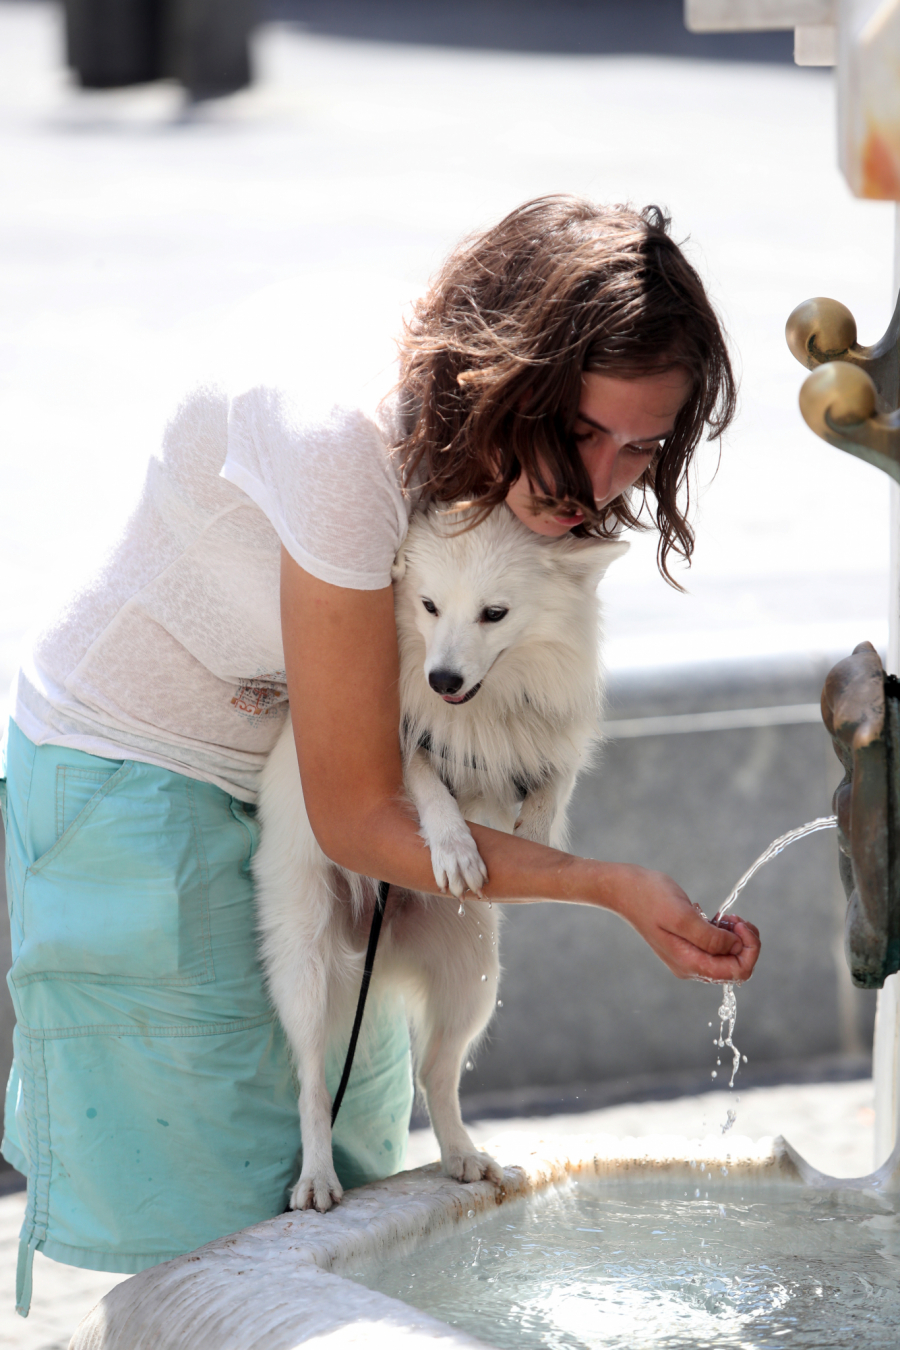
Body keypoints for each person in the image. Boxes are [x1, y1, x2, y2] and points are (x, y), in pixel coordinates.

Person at [0, 195, 760, 1315]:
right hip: (145, 782)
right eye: (586, 432)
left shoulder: (468, 425)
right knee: (224, 1252)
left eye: (643, 447)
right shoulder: (343, 447)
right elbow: (364, 814)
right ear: (521, 375)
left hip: (285, 777)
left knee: (344, 1230)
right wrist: (604, 887)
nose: (604, 483)